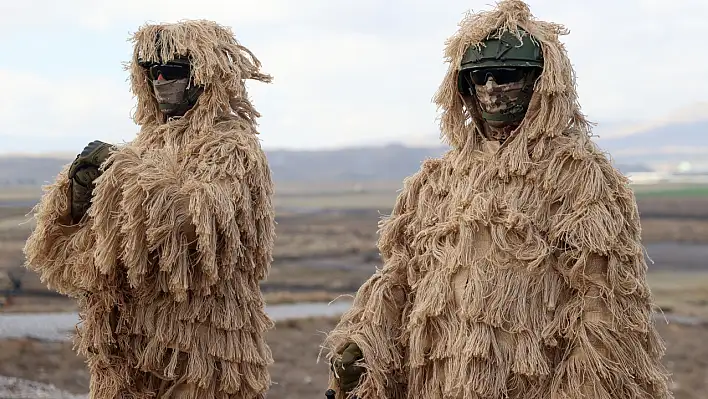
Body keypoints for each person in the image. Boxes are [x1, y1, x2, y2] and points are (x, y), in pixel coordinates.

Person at [322, 1, 673, 398]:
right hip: (438, 380)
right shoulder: (436, 182)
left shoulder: (582, 181)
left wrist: (584, 387)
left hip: (533, 383)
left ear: (541, 82)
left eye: (506, 75)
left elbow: (603, 304)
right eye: (478, 77)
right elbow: (399, 277)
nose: (490, 89)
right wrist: (365, 341)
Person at [24, 20, 275, 398]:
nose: (159, 79)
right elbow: (91, 256)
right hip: (126, 348)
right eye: (150, 69)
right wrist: (77, 201)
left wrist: (124, 175)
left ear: (204, 76)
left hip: (202, 347)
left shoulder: (234, 149)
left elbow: (201, 225)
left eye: (171, 70)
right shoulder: (143, 148)